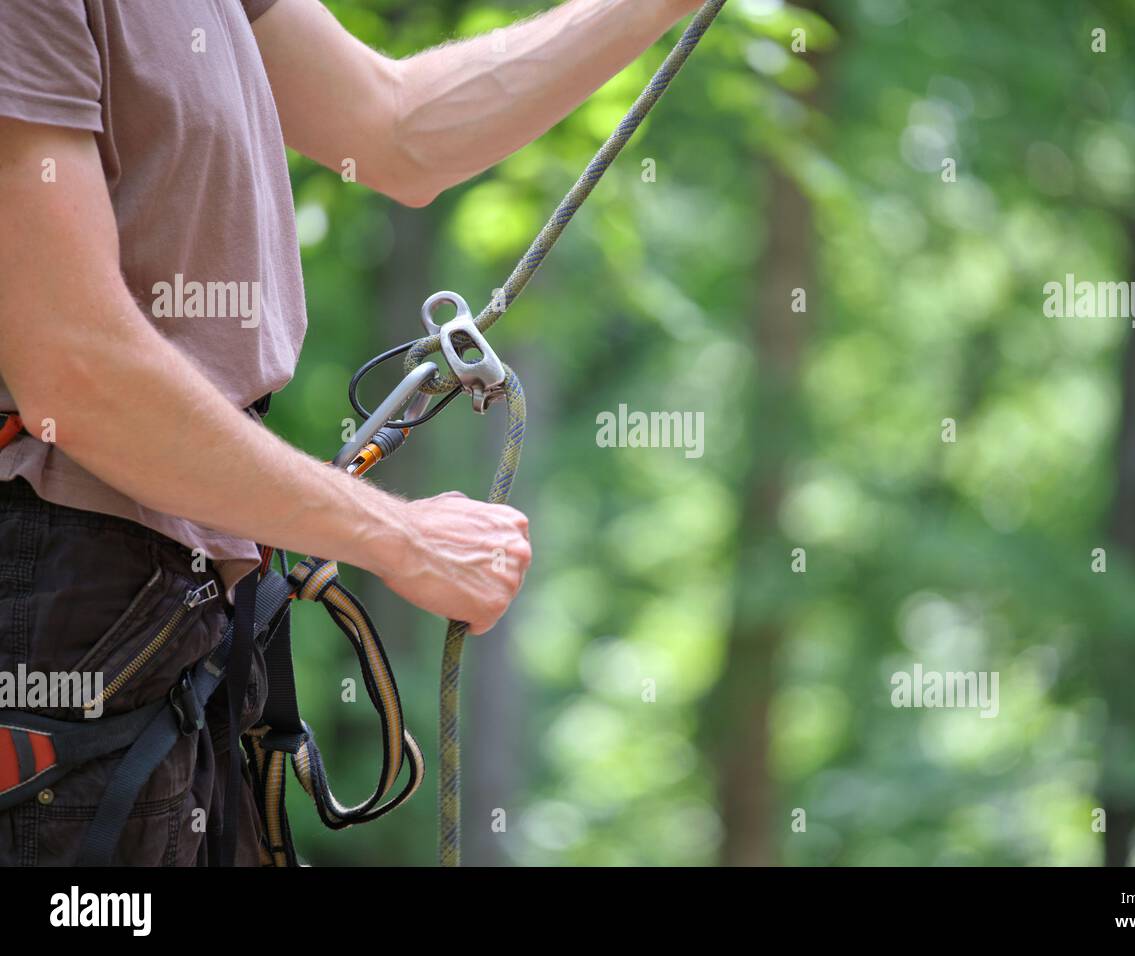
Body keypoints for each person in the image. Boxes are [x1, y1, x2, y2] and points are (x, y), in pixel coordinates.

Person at [0, 0, 702, 866]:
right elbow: (75, 373)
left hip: (172, 588)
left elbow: (398, 127)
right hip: (57, 584)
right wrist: (401, 538)